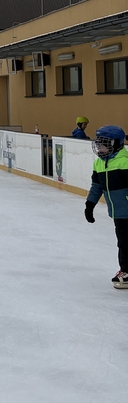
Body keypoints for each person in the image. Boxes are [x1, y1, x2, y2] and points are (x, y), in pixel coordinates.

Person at [83, 124, 128, 289]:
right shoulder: (99, 164)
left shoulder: (125, 162)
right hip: (119, 213)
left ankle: (126, 271)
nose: (99, 148)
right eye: (98, 144)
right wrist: (90, 205)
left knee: (125, 243)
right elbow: (96, 187)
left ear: (115, 144)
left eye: (103, 144)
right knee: (123, 243)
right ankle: (126, 270)